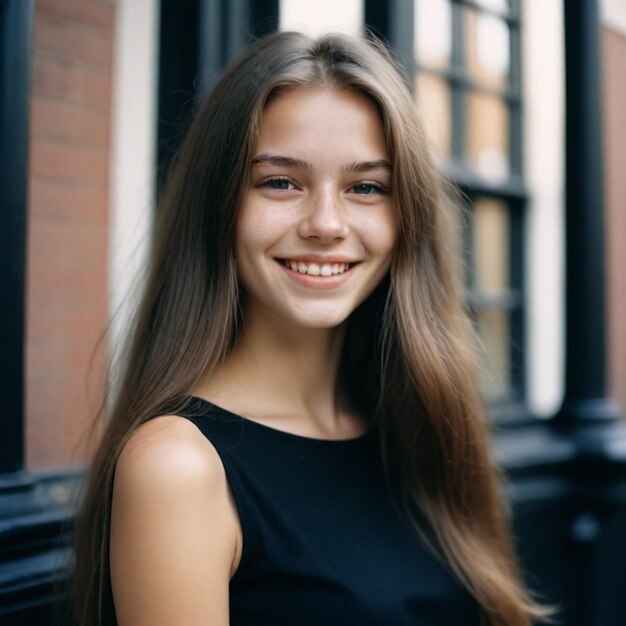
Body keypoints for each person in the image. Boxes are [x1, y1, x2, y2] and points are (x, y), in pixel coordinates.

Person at [71, 31, 549, 626]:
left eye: (367, 187)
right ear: (219, 204)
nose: (326, 223)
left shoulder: (406, 421)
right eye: (280, 181)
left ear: (408, 218)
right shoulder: (177, 466)